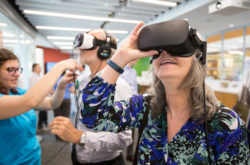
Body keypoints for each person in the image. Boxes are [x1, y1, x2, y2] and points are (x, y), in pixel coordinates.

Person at [76, 20, 249, 164]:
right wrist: (119, 58)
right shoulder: (144, 107)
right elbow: (92, 117)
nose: (165, 54)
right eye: (158, 51)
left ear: (198, 57)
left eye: (177, 48)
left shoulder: (226, 124)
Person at [49, 29, 133, 165]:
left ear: (104, 51)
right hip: (78, 155)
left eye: (89, 43)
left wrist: (80, 137)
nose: (80, 48)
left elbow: (124, 139)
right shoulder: (84, 81)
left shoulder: (118, 86)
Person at [0, 48, 78, 165]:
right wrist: (59, 66)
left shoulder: (18, 92)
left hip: (33, 158)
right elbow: (29, 101)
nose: (16, 74)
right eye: (10, 70)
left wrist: (61, 86)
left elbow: (52, 103)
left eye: (17, 69)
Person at [120, 59, 138, 161]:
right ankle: (116, 153)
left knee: (133, 129)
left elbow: (134, 88)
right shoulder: (121, 70)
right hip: (123, 103)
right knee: (120, 130)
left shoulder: (133, 71)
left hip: (133, 103)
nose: (137, 60)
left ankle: (130, 153)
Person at [29, 63, 48, 131]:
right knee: (42, 111)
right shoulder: (32, 77)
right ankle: (41, 126)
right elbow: (35, 88)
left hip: (42, 96)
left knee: (44, 111)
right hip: (37, 96)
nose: (40, 68)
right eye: (38, 67)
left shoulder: (40, 76)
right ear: (34, 69)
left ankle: (43, 125)